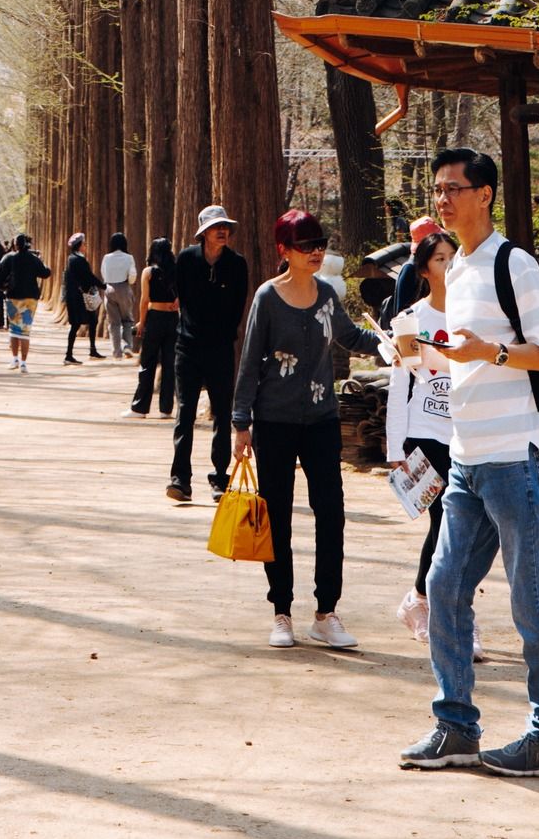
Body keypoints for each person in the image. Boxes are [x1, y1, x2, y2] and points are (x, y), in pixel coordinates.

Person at [397, 146, 539, 780]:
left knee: (530, 602)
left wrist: (491, 351)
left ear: (485, 195)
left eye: (452, 188)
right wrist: (423, 355)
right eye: (436, 189)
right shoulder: (460, 269)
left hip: (516, 459)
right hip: (468, 461)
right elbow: (465, 358)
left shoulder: (512, 263)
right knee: (444, 588)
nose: (441, 198)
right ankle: (456, 729)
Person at [231, 207, 376, 650]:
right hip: (274, 421)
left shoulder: (329, 294)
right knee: (278, 518)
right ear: (284, 250)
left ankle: (326, 612)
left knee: (331, 512)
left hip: (321, 420)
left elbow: (352, 337)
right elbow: (251, 360)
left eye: (320, 244)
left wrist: (396, 342)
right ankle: (281, 611)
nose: (316, 252)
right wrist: (241, 423)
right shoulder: (267, 298)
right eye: (305, 245)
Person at [382, 224, 458, 643]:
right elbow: (400, 385)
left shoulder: (475, 315)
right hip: (424, 432)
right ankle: (432, 605)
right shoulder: (410, 321)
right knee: (444, 520)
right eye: (439, 260)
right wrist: (396, 448)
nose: (448, 266)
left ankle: (426, 600)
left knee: (465, 526)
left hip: (467, 432)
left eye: (453, 258)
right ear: (424, 269)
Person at [167, 203, 249, 502]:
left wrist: (223, 335)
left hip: (221, 349)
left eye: (225, 226)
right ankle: (180, 479)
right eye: (216, 227)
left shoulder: (237, 263)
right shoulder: (187, 259)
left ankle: (219, 478)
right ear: (204, 233)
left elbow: (238, 305)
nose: (222, 231)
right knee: (185, 412)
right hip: (187, 347)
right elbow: (182, 296)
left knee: (222, 413)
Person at [130, 236, 178, 416]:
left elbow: (144, 301)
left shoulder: (148, 272)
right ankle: (166, 409)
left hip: (155, 317)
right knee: (169, 363)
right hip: (173, 319)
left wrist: (142, 322)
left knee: (148, 362)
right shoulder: (176, 270)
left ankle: (140, 407)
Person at [0, 230, 49, 368]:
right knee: (25, 329)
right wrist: (43, 262)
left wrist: (2, 287)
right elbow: (45, 273)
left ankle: (14, 359)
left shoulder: (8, 258)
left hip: (13, 296)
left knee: (14, 329)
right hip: (30, 298)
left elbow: (0, 276)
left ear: (15, 244)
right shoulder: (34, 259)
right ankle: (24, 363)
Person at [61, 234, 103, 363]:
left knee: (92, 320)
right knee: (76, 324)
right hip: (78, 297)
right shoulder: (78, 260)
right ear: (79, 245)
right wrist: (103, 286)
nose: (86, 246)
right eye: (84, 244)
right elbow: (89, 276)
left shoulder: (72, 259)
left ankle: (92, 349)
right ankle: (68, 355)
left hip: (78, 296)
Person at [99, 231, 138, 358]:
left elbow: (103, 273)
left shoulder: (106, 257)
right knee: (127, 320)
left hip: (109, 289)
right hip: (124, 288)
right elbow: (132, 276)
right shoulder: (129, 257)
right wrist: (128, 282)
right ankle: (127, 346)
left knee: (114, 323)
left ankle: (116, 352)